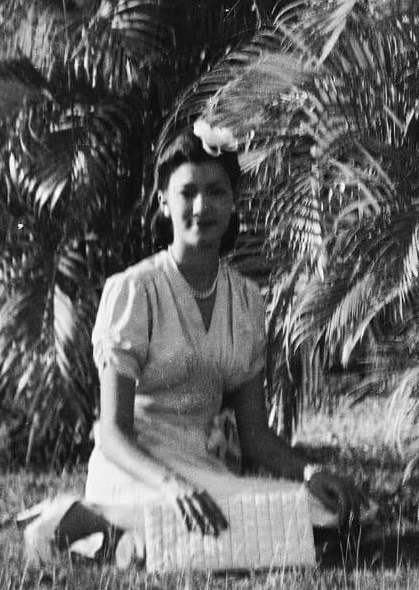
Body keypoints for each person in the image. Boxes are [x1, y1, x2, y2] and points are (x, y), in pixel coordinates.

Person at [83, 118, 367, 541]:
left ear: (234, 200)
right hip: (137, 474)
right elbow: (112, 434)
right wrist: (172, 486)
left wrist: (309, 472)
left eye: (216, 192)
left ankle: (128, 541)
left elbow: (255, 437)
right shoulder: (133, 291)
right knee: (267, 524)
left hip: (202, 472)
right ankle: (98, 524)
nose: (202, 207)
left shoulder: (247, 301)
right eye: (187, 192)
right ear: (163, 202)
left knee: (326, 512)